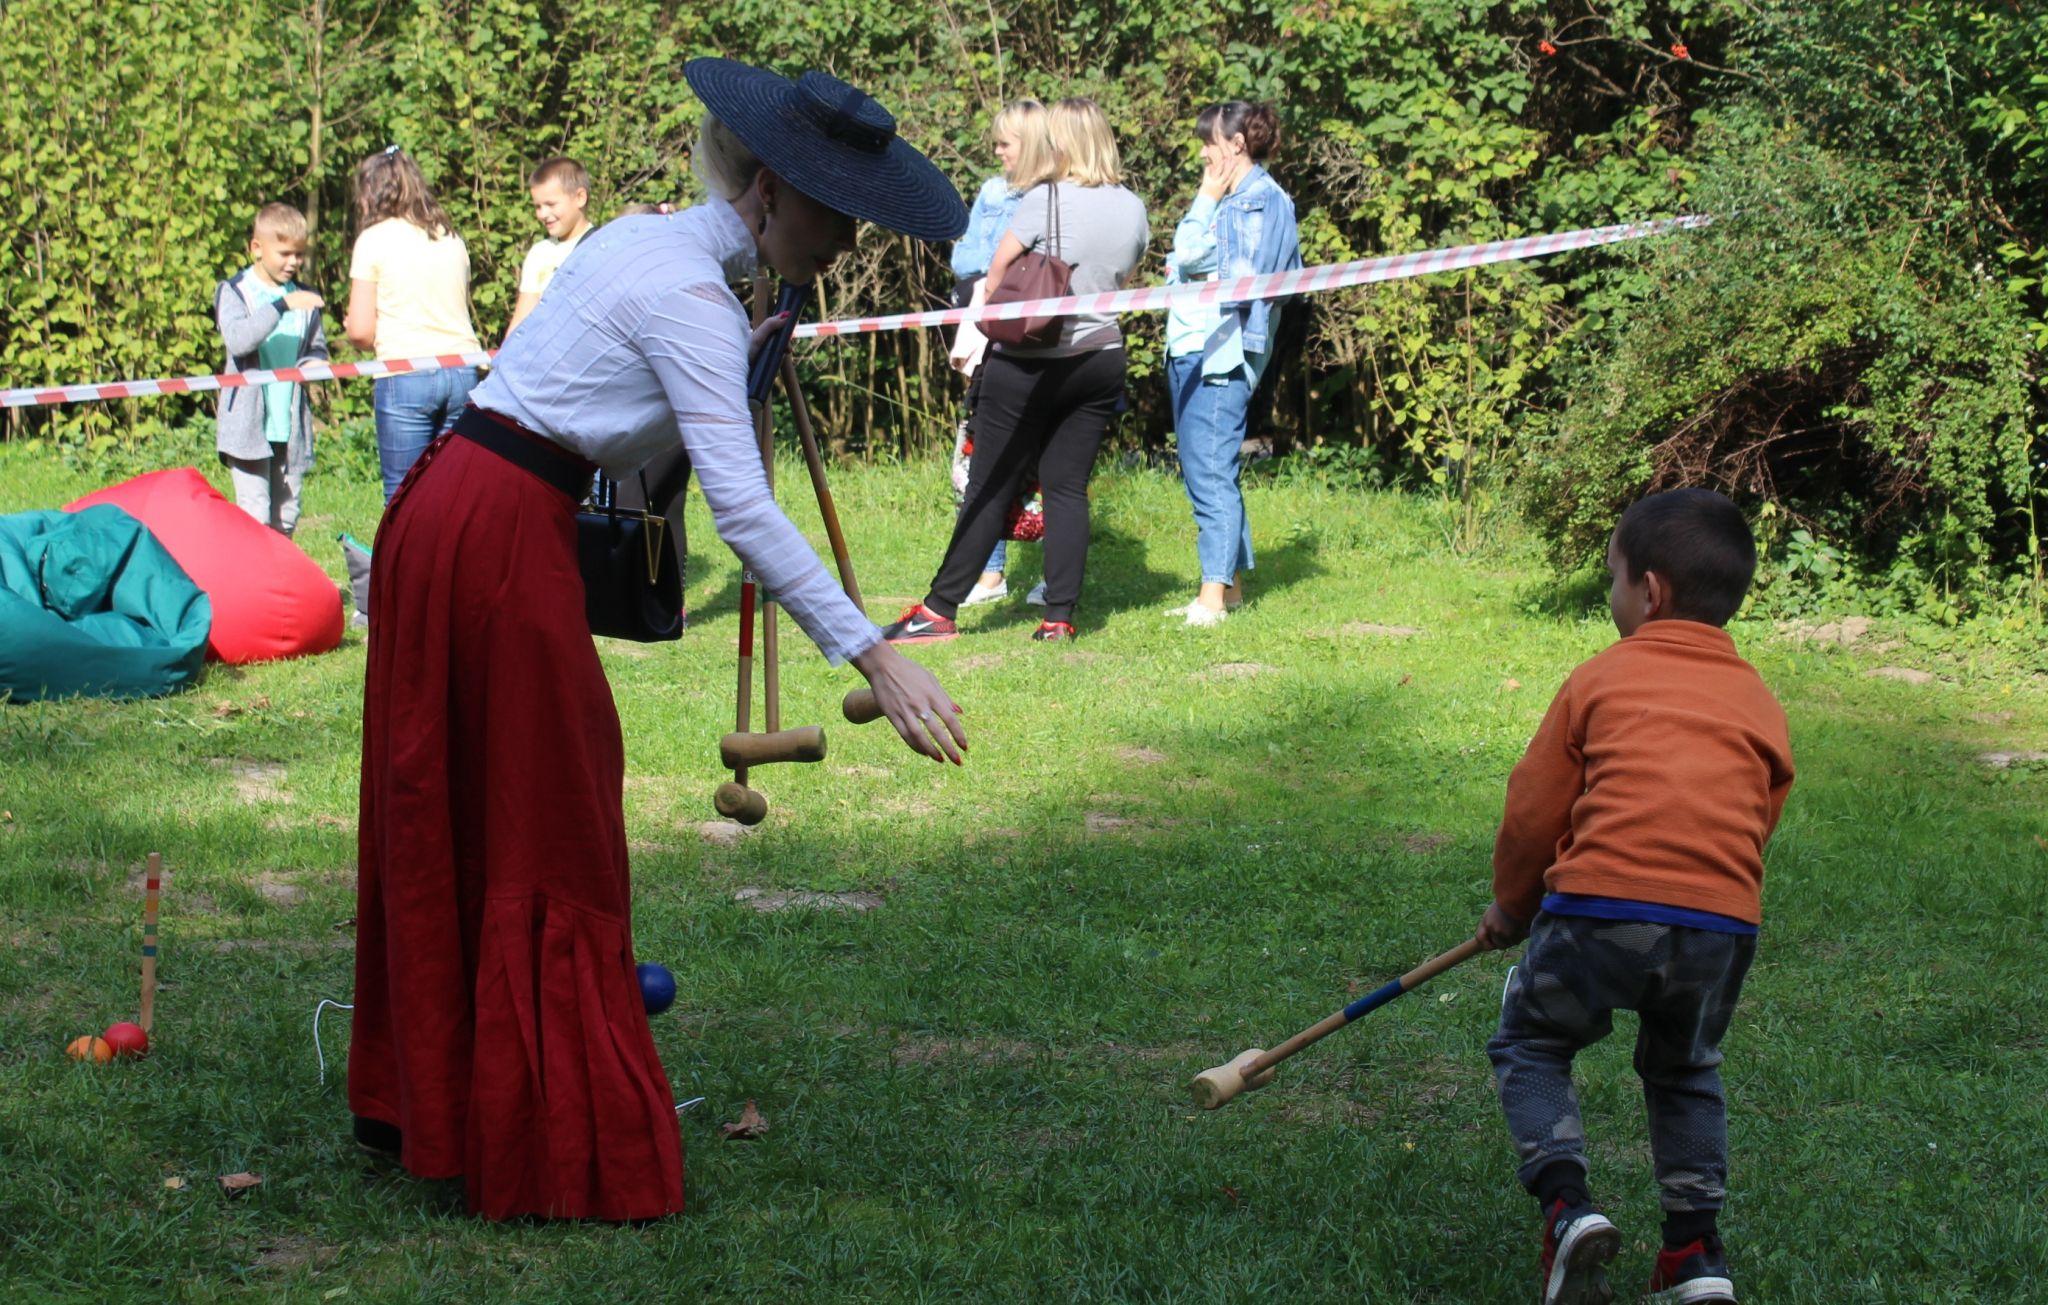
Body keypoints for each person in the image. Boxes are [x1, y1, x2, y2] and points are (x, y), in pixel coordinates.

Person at [348, 59, 970, 1224]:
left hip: (457, 512)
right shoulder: (687, 294)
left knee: (474, 798)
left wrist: (735, 375)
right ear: (770, 191)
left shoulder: (647, 244)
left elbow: (615, 436)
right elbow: (738, 513)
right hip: (490, 535)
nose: (844, 242)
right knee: (553, 815)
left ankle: (434, 1096)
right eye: (835, 210)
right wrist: (874, 655)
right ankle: (538, 1132)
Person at [1474, 488, 1793, 1305]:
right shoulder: (1759, 698)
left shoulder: (1600, 677)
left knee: (1533, 1040)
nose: (1610, 594)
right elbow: (1759, 816)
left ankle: (1567, 1207)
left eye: (1612, 577)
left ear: (1649, 591)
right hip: (1720, 922)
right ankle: (1693, 1253)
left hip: (1596, 906)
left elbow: (1536, 806)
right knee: (1686, 1068)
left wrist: (1512, 904)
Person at [882, 97, 1148, 644]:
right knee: (1068, 489)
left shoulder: (1044, 198)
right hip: (1100, 358)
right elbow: (1126, 269)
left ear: (1064, 143)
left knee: (991, 484)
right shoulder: (1133, 207)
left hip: (1029, 363)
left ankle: (938, 611)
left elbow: (997, 272)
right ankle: (1059, 618)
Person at [1162, 101, 1300, 627]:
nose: (1202, 150)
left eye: (1210, 139)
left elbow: (1192, 255)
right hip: (1201, 345)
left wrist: (1205, 198)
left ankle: (1212, 597)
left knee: (1210, 472)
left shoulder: (1253, 200)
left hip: (1218, 350)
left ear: (1237, 144)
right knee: (1211, 468)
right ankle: (1231, 588)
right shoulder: (1253, 198)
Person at [949, 99, 1050, 609]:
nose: (996, 151)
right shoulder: (991, 192)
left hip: (1042, 343)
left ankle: (1057, 572)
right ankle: (989, 576)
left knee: (1049, 459)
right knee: (978, 457)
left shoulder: (1057, 194)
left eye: (1005, 143)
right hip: (991, 341)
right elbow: (966, 260)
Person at [343, 146, 484, 501]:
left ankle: (403, 559)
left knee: (403, 495)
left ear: (371, 193)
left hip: (405, 373)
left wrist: (354, 326)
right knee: (451, 492)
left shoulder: (373, 240)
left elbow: (360, 331)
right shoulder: (449, 237)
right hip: (461, 368)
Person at [213, 202, 328, 536]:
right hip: (248, 426)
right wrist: (279, 306)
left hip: (289, 426)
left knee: (286, 516)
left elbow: (314, 346)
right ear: (256, 249)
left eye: (299, 254)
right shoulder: (234, 292)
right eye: (284, 254)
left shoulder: (305, 296)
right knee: (254, 515)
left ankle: (280, 585)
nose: (293, 262)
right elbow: (238, 340)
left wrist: (316, 364)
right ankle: (249, 586)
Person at [505, 156, 594, 337]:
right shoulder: (540, 253)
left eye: (551, 204)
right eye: (538, 207)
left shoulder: (601, 246)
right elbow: (522, 318)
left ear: (580, 197)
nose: (543, 214)